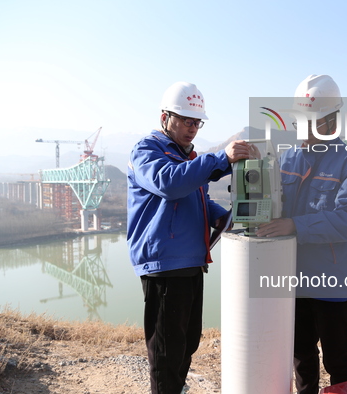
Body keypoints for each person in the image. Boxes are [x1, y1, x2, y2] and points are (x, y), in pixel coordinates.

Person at [127, 81, 254, 394]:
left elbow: (195, 198)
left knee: (187, 343)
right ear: (164, 118)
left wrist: (222, 216)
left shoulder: (188, 158)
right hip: (165, 265)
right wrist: (220, 159)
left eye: (196, 122)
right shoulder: (147, 151)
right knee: (167, 352)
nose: (192, 128)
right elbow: (170, 184)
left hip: (191, 264)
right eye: (185, 120)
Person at [256, 74, 347, 393]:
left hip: (331, 283)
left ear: (331, 121)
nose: (301, 129)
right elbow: (271, 207)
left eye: (310, 122)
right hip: (292, 279)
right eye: (299, 121)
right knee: (300, 357)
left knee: (339, 363)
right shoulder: (286, 159)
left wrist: (295, 225)